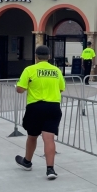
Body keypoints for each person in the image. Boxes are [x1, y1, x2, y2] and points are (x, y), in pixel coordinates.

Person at [14, 45, 65, 180]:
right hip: (53, 106)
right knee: (49, 138)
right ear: (49, 56)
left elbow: (20, 89)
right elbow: (61, 89)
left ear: (36, 57)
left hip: (35, 107)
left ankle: (27, 161)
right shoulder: (56, 71)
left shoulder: (29, 70)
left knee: (32, 136)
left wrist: (19, 86)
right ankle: (50, 169)